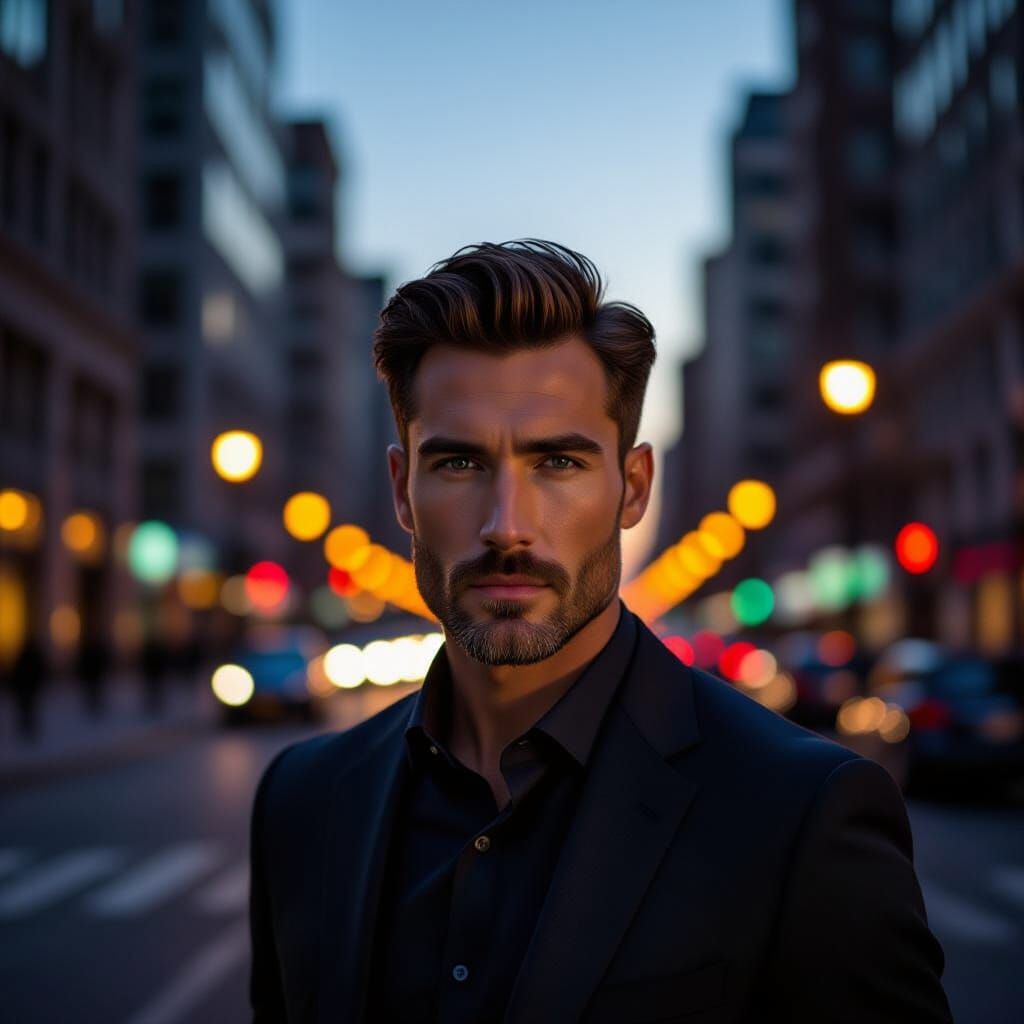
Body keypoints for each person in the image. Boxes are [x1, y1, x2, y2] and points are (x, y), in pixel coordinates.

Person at [249, 240, 953, 1023]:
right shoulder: (301, 801)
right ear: (402, 492)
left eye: (557, 463)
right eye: (457, 464)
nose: (505, 526)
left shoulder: (802, 813)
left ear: (634, 487)